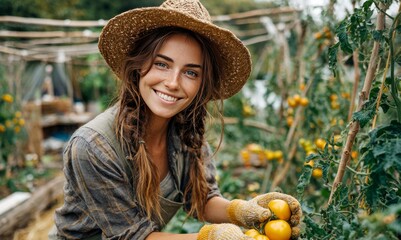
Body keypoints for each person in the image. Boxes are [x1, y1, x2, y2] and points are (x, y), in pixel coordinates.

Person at [51, 0, 302, 239]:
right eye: (162, 64)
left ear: (202, 85)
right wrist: (208, 237)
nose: (172, 83)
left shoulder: (185, 135)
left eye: (191, 72)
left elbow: (202, 200)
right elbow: (130, 236)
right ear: (139, 65)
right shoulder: (93, 146)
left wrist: (243, 211)